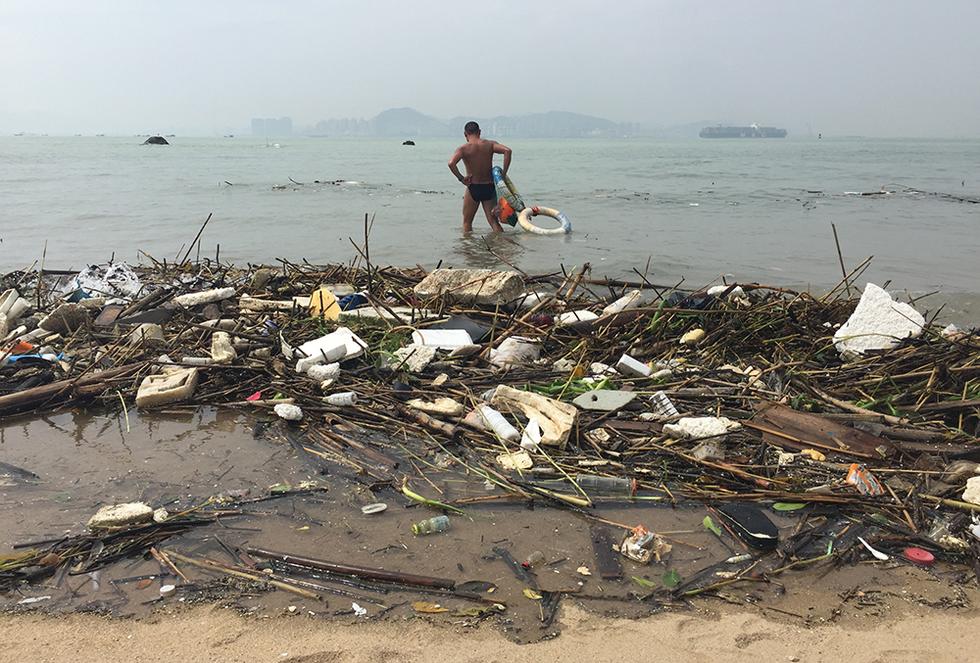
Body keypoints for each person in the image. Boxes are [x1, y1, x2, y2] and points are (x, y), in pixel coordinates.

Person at [447, 121, 512, 232]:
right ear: (479, 132)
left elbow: (451, 163)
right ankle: (502, 244)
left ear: (465, 134)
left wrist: (461, 178)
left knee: (467, 222)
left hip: (474, 187)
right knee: (493, 222)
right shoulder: (490, 144)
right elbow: (507, 151)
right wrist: (504, 174)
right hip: (489, 187)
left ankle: (468, 248)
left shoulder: (463, 149)